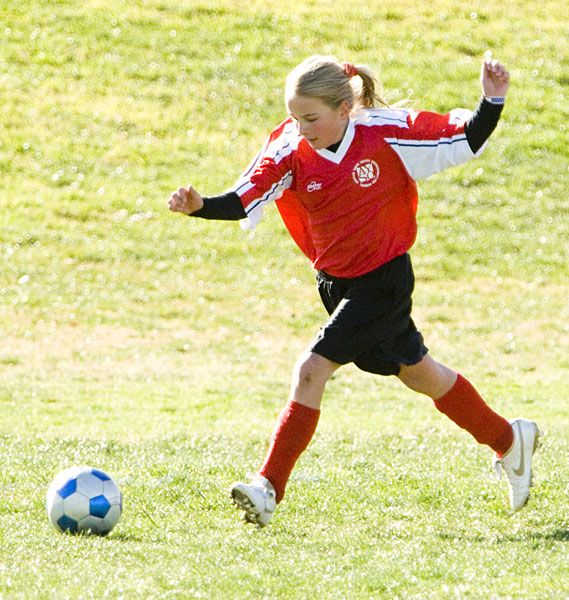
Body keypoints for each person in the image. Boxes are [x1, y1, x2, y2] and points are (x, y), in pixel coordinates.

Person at [168, 52, 540, 528]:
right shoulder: (290, 146)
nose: (301, 128)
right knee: (419, 374)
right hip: (335, 284)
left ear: (345, 109)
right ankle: (509, 440)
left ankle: (268, 487)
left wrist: (492, 100)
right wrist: (200, 206)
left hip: (384, 281)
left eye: (311, 118)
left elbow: (461, 137)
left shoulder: (383, 133)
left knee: (311, 370)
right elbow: (246, 197)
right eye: (294, 117)